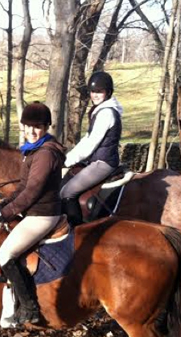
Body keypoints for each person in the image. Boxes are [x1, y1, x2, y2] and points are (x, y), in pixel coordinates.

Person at [0, 101, 65, 325]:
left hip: (43, 215)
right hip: (33, 211)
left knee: (5, 255)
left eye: (38, 127)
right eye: (28, 126)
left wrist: (7, 213)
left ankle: (30, 308)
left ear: (46, 127)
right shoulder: (32, 150)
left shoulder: (45, 154)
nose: (32, 131)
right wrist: (3, 206)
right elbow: (22, 187)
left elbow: (32, 192)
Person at [60, 71, 124, 226]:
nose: (95, 95)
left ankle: (74, 231)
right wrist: (67, 157)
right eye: (93, 91)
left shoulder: (106, 113)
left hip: (103, 163)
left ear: (108, 92)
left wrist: (66, 161)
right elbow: (86, 139)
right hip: (97, 159)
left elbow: (91, 144)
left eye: (99, 91)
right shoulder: (101, 110)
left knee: (66, 192)